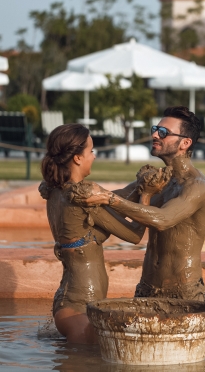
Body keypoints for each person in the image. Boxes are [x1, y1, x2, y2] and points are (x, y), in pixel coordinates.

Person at [71, 106, 205, 302]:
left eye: (163, 132)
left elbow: (163, 219)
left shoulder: (197, 186)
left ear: (185, 143)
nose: (155, 135)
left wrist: (109, 199)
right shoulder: (156, 180)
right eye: (155, 129)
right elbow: (112, 197)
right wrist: (65, 189)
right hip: (147, 287)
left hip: (184, 289)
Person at [39, 124, 167, 344]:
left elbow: (114, 198)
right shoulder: (82, 200)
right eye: (91, 151)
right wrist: (146, 195)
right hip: (80, 310)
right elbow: (134, 235)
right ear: (78, 158)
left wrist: (140, 182)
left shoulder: (59, 191)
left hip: (69, 303)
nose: (94, 156)